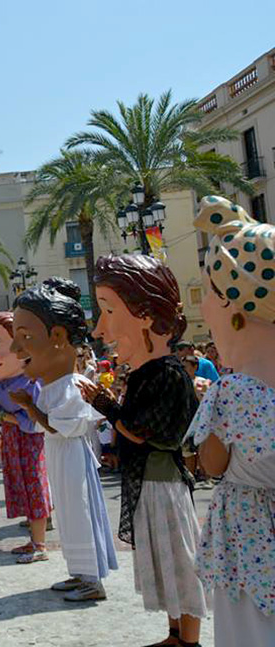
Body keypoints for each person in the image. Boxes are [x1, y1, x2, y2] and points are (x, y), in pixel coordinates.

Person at [84, 254, 209, 645]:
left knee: (180, 562)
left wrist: (106, 405)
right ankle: (175, 633)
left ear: (143, 315)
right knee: (165, 560)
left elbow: (144, 432)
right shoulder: (150, 374)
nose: (101, 328)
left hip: (164, 483)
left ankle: (188, 638)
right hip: (152, 482)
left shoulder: (168, 374)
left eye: (108, 311)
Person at [184, 196, 275, 647]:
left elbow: (213, 464)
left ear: (236, 310)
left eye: (210, 298)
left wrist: (208, 418)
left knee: (249, 626)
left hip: (249, 537)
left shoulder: (232, 392)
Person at [9, 278, 118, 602]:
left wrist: (28, 407)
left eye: (25, 338)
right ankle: (79, 572)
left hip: (71, 455)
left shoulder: (74, 384)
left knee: (79, 513)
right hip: (58, 454)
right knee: (68, 515)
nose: (17, 350)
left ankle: (92, 579)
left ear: (57, 337)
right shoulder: (53, 385)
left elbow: (59, 427)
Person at [0, 311, 50, 563]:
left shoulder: (30, 382)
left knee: (34, 486)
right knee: (22, 486)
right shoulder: (2, 383)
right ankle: (34, 540)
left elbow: (34, 421)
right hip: (12, 440)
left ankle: (40, 545)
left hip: (28, 442)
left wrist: (2, 414)